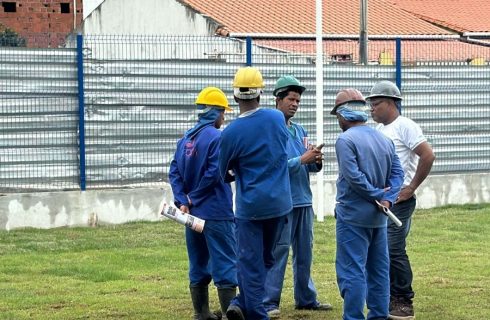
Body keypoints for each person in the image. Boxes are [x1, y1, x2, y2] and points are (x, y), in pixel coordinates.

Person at [218, 67, 292, 320]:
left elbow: (222, 172)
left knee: (250, 264)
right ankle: (240, 302)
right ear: (261, 92)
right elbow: (281, 150)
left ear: (235, 96)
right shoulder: (275, 118)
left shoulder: (230, 133)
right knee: (266, 259)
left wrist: (237, 171)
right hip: (281, 203)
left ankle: (255, 313)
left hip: (251, 208)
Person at [331, 88, 404, 320]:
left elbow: (353, 177)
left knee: (352, 270)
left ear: (343, 114)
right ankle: (379, 315)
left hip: (352, 217)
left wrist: (375, 193)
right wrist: (387, 198)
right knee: (379, 270)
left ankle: (353, 316)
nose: (338, 122)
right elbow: (397, 173)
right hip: (379, 217)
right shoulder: (384, 139)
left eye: (337, 117)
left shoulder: (345, 140)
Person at [263, 75, 332, 317]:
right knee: (279, 251)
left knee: (305, 253)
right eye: (291, 99)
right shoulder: (270, 130)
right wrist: (302, 159)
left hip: (303, 200)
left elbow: (307, 165)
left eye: (298, 101)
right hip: (283, 202)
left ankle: (306, 298)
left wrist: (315, 160)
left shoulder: (299, 129)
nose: (295, 104)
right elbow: (274, 166)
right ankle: (269, 301)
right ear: (277, 100)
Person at [367, 80, 435, 320]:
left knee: (394, 249)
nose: (371, 109)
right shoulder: (377, 131)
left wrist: (411, 187)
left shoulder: (405, 126)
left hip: (400, 202)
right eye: (370, 105)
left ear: (391, 103)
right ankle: (384, 297)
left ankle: (403, 301)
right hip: (382, 202)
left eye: (376, 104)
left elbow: (427, 155)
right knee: (381, 249)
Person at [168, 87, 237, 320]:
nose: (224, 117)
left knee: (198, 261)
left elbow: (174, 171)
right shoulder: (218, 137)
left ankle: (202, 313)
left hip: (191, 215)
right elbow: (215, 173)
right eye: (223, 112)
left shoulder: (186, 138)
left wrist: (182, 200)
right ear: (216, 112)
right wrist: (193, 197)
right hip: (216, 212)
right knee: (225, 261)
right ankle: (230, 313)